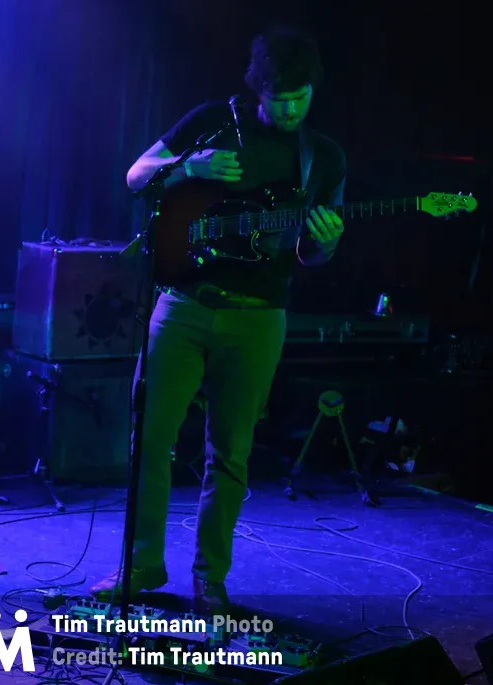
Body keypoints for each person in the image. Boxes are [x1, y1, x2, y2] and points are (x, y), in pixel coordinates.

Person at [94, 29, 347, 613]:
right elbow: (137, 176)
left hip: (259, 318)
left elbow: (311, 255)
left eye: (301, 97)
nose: (290, 108)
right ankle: (141, 565)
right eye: (280, 97)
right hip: (182, 304)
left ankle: (211, 577)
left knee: (230, 453)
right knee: (149, 440)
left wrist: (326, 245)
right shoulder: (214, 119)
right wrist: (189, 166)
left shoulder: (324, 157)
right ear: (258, 88)